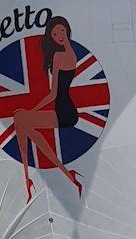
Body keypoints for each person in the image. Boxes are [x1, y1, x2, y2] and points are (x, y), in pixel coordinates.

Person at [13, 15, 83, 202]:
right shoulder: (69, 54)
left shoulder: (60, 56)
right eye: (54, 33)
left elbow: (53, 94)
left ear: (67, 29)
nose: (58, 35)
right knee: (26, 126)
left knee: (21, 119)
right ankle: (68, 175)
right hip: (64, 109)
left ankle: (27, 177)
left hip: (65, 112)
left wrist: (31, 111)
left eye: (60, 30)